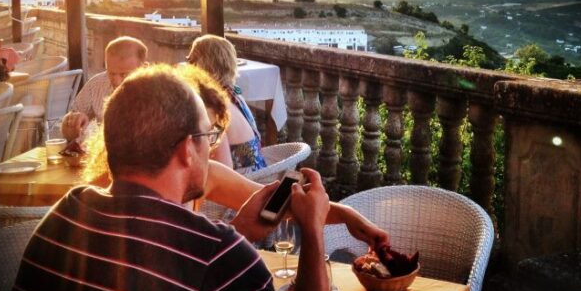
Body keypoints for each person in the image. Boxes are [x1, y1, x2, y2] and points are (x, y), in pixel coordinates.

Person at [10, 64, 332, 291]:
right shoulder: (220, 255)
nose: (210, 148)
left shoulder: (65, 215)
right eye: (208, 136)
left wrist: (239, 231)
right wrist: (313, 232)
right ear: (186, 149)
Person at [80, 63, 390, 249]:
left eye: (213, 133)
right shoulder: (105, 201)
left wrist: (347, 215)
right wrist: (236, 237)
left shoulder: (206, 175)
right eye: (205, 134)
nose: (211, 146)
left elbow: (278, 203)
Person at [187, 34, 265, 171]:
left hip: (243, 179)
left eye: (191, 60)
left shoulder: (213, 108)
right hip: (259, 171)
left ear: (200, 65)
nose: (187, 65)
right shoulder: (234, 95)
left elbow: (222, 168)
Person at [60, 36, 147, 141]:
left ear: (143, 68)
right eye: (111, 73)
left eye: (124, 74)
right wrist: (73, 123)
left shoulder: (156, 94)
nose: (117, 82)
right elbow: (67, 127)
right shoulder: (96, 85)